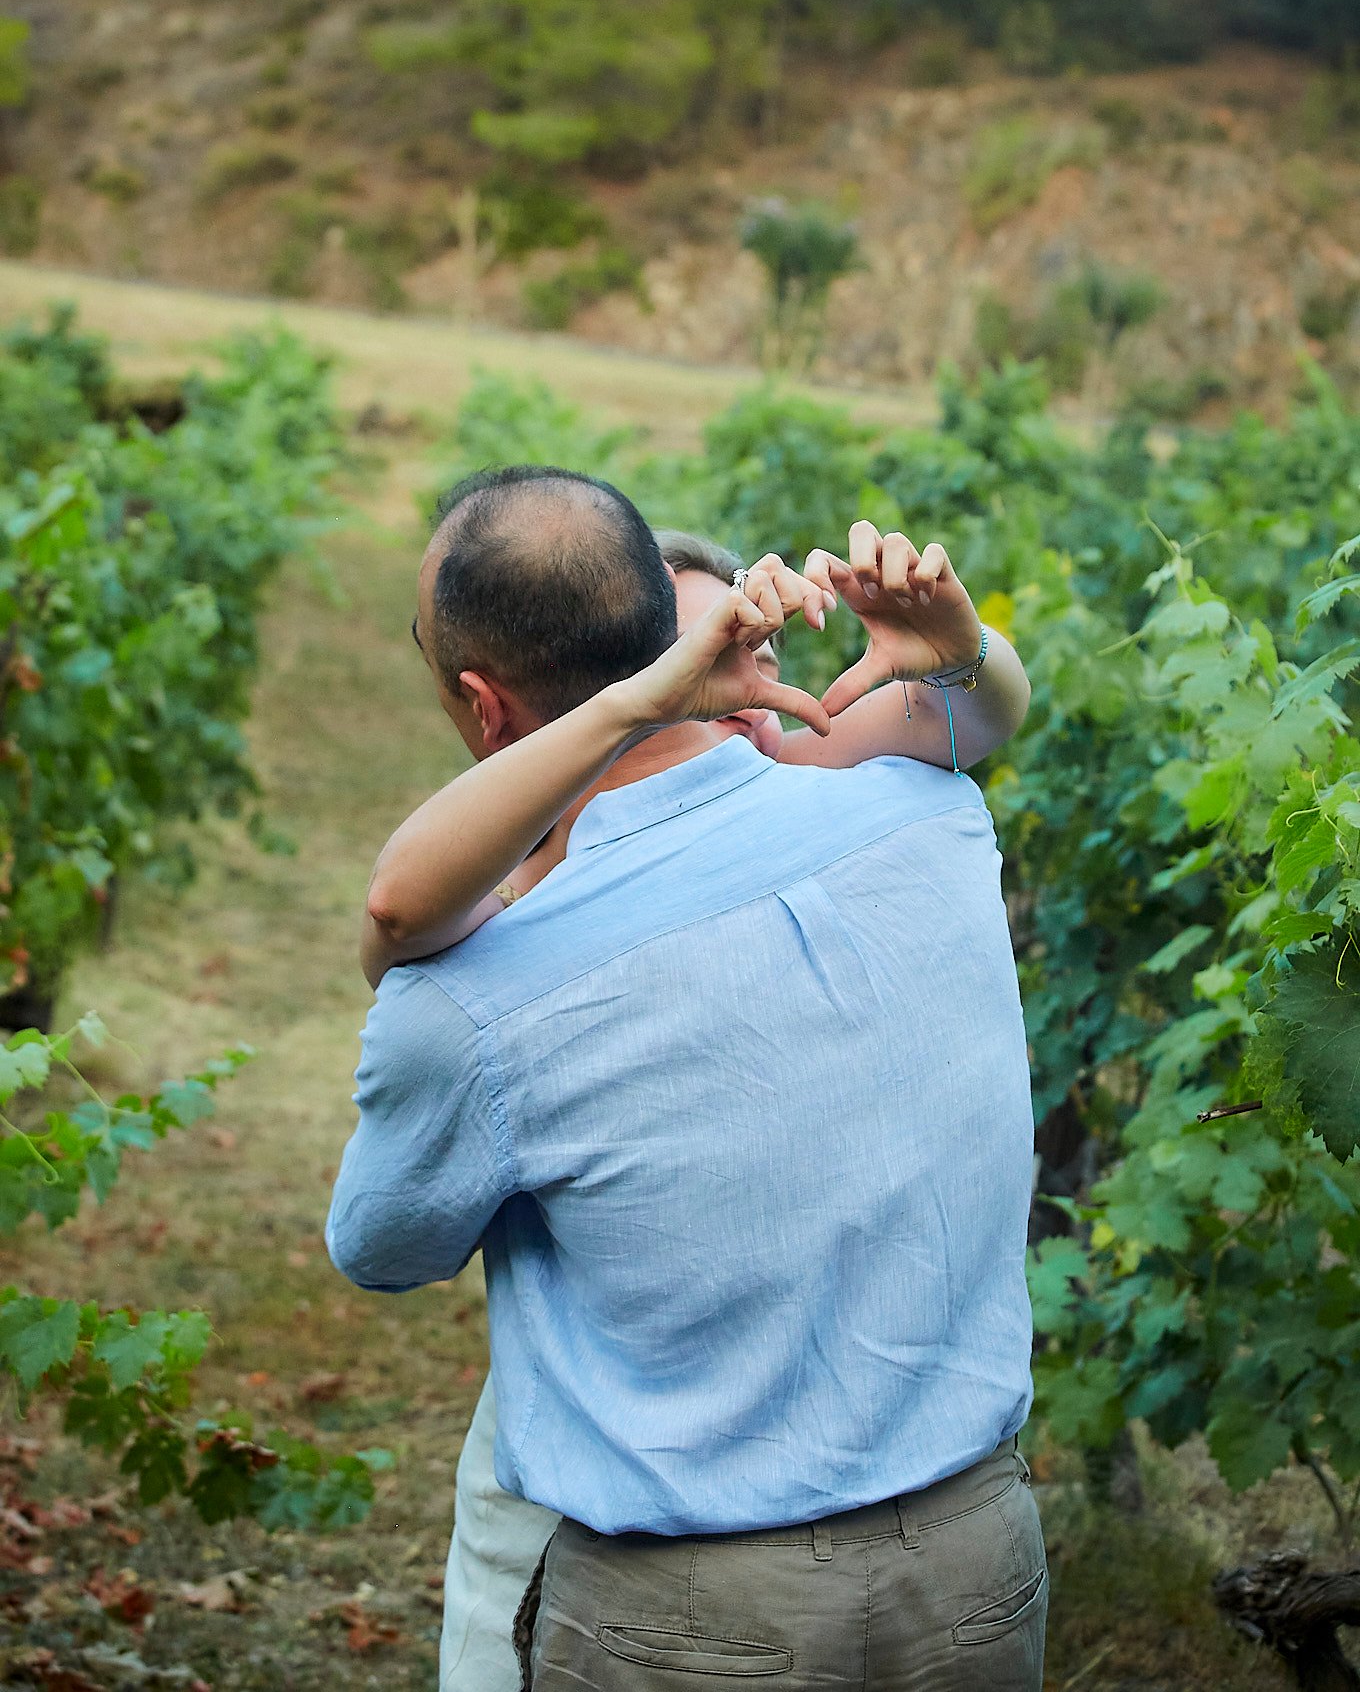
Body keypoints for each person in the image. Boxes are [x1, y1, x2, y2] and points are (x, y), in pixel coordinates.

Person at [327, 465, 1046, 1691]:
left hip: (695, 1615)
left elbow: (384, 1247)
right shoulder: (929, 819)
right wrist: (960, 648)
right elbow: (979, 711)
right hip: (979, 1560)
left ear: (481, 707)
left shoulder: (479, 1001)